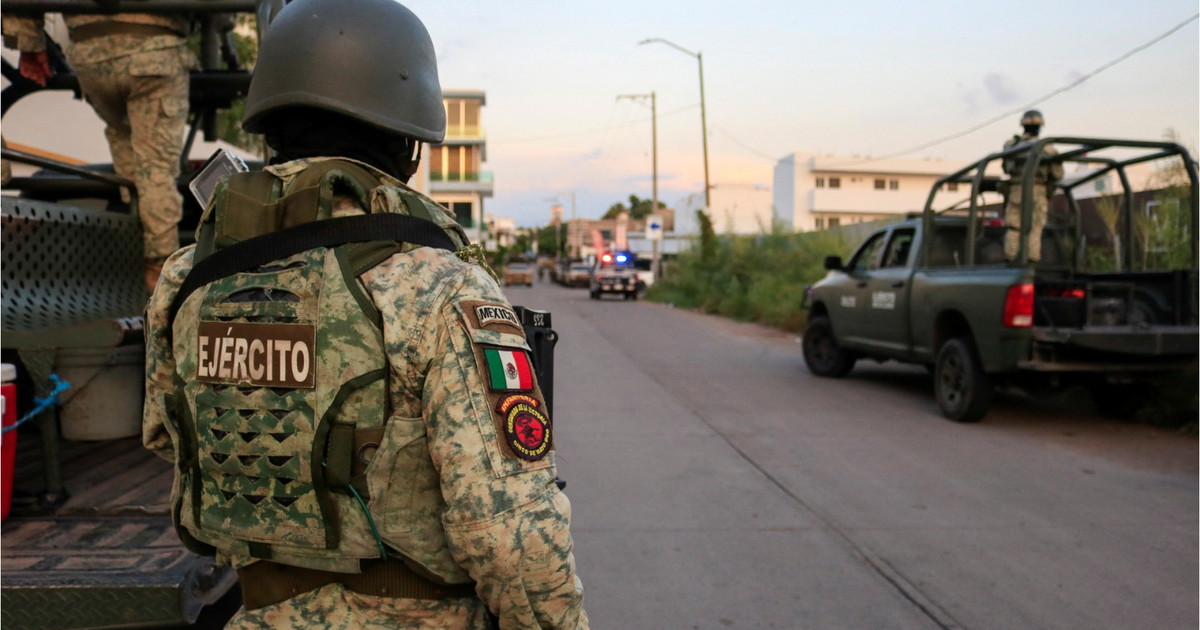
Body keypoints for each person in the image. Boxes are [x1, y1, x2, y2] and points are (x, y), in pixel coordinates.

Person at [141, 1, 588, 628]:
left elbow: (170, 439)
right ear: (408, 139)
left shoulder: (187, 277)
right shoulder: (439, 285)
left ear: (270, 124)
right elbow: (510, 534)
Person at [2, 10, 195, 290]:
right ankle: (160, 271)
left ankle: (135, 238)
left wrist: (29, 44)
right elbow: (222, 19)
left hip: (90, 55)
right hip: (155, 48)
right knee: (156, 169)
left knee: (125, 146)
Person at [1001, 109, 1064, 264]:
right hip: (1037, 190)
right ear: (1040, 127)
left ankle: (1011, 257)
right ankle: (1031, 260)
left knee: (1013, 226)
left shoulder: (1012, 145)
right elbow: (1058, 174)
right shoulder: (1047, 148)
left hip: (1015, 189)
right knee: (1035, 227)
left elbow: (1005, 167)